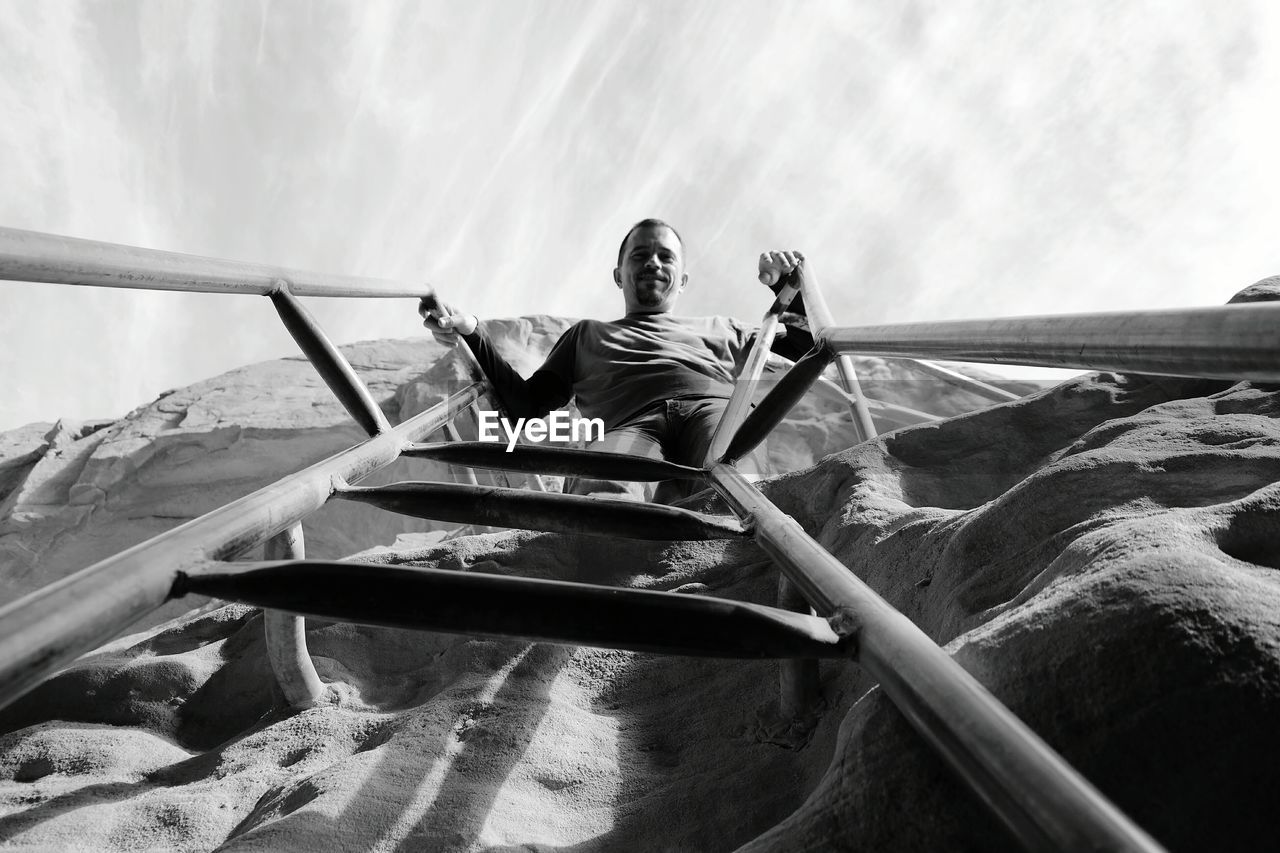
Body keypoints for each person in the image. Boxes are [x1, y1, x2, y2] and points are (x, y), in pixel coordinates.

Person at [421, 218, 806, 503]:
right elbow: (525, 405)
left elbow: (807, 348)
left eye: (665, 257)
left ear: (683, 280)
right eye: (640, 255)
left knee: (733, 480)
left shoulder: (724, 327)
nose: (653, 262)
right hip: (626, 423)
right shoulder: (586, 335)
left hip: (715, 409)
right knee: (604, 491)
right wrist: (473, 331)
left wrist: (788, 287)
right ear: (618, 275)